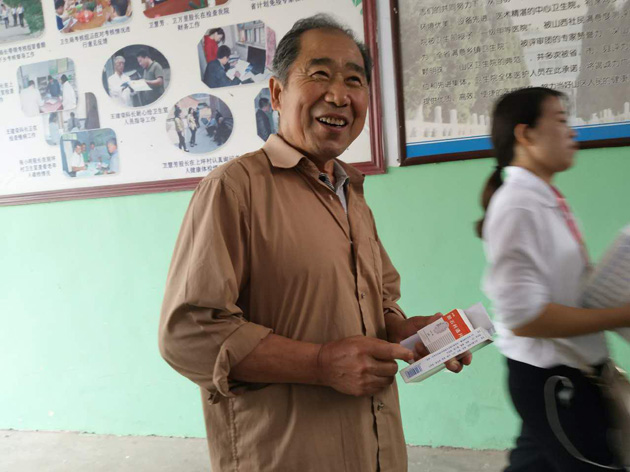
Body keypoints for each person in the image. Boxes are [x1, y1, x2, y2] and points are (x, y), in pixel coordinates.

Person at [159, 14, 471, 472]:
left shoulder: (351, 194)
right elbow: (188, 333)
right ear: (277, 93)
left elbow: (376, 300)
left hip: (376, 451)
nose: (339, 95)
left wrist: (404, 331)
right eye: (320, 74)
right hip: (287, 456)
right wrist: (320, 364)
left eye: (354, 80)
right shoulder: (235, 188)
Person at [479, 87, 630, 471]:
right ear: (525, 134)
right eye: (561, 120)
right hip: (552, 380)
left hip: (571, 371)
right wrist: (622, 315)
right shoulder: (517, 205)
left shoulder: (543, 199)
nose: (572, 131)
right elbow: (524, 318)